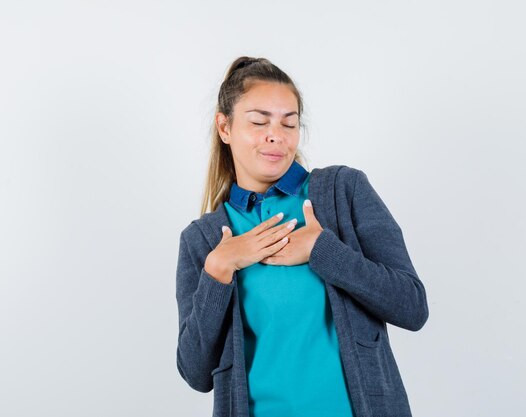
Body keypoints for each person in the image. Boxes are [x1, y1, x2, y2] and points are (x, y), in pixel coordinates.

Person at [175, 56, 429, 417]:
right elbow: (195, 373)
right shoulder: (202, 240)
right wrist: (218, 269)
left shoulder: (344, 191)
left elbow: (412, 306)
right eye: (259, 121)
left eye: (288, 123)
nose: (275, 134)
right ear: (225, 127)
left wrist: (323, 250)